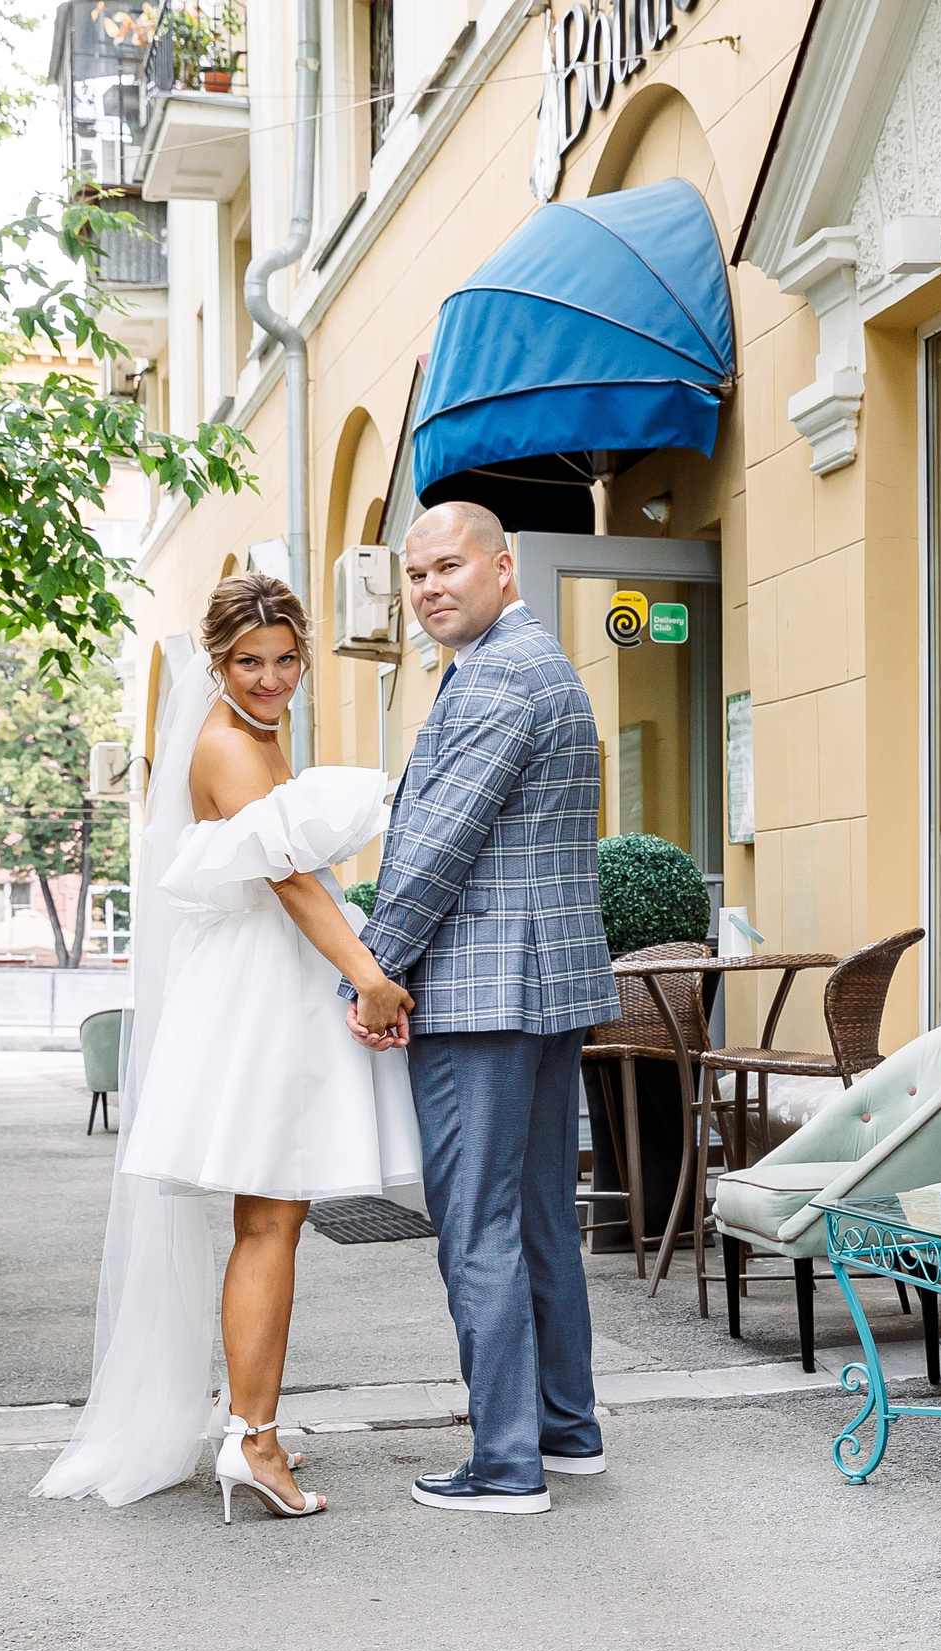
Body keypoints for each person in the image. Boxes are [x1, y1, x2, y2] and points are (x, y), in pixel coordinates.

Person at [32, 573, 420, 1518]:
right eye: (250, 662)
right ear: (217, 662)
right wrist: (368, 974)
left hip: (255, 984)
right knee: (270, 1224)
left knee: (273, 1220)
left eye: (287, 659)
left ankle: (252, 1429)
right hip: (255, 995)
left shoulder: (253, 733)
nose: (272, 678)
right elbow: (290, 880)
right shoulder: (229, 746)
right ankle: (256, 1440)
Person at [343, 500, 623, 1514]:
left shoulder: (500, 675)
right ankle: (566, 1428)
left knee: (477, 1226)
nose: (427, 590)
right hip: (541, 990)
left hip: (479, 996)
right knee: (540, 1216)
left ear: (504, 568)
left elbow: (433, 853)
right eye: (415, 576)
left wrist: (368, 973)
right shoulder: (535, 660)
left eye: (447, 568)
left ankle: (506, 1464)